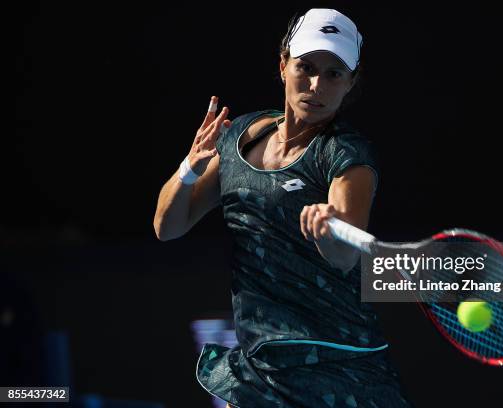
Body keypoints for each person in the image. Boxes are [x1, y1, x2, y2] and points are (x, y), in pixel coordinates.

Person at [154, 8, 412, 408]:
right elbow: (167, 226)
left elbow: (345, 254)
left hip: (342, 371)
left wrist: (329, 230)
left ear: (350, 84)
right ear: (282, 66)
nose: (316, 85)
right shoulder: (241, 134)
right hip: (261, 373)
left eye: (333, 74)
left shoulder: (347, 156)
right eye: (305, 67)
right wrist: (190, 167)